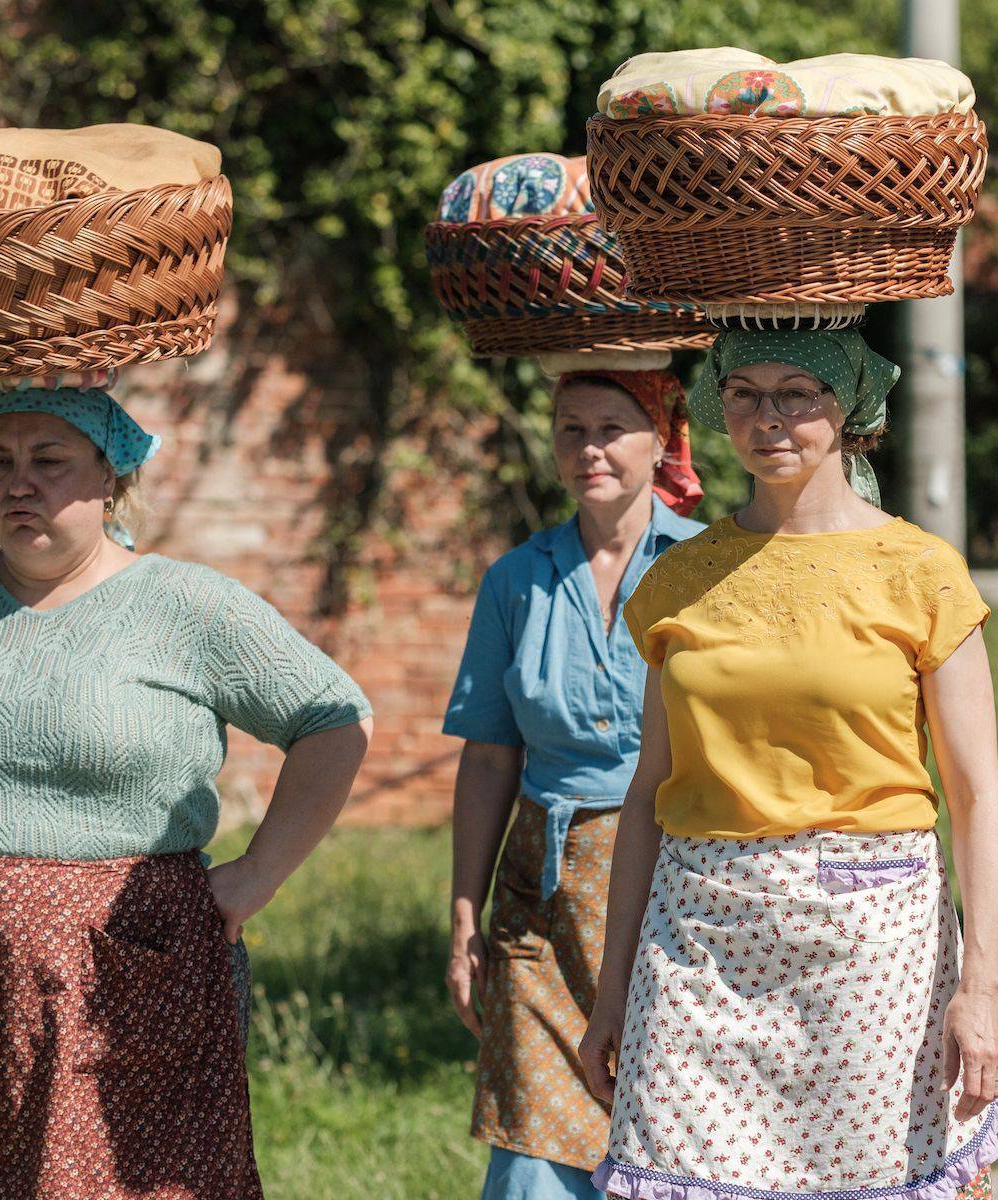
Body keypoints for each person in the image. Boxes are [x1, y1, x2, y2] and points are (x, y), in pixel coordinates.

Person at [0, 381, 372, 1199]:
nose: (19, 483)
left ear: (111, 475)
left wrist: (259, 874)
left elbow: (334, 719)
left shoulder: (182, 604)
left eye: (49, 461)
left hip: (122, 971)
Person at [577, 328, 998, 1200]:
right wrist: (612, 988)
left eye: (796, 395)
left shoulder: (920, 572)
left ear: (847, 408)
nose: (768, 418)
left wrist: (984, 990)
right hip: (698, 944)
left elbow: (977, 797)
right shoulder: (679, 579)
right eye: (744, 393)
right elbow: (647, 799)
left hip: (871, 949)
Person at [444, 369, 704, 1200]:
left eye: (612, 427)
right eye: (569, 429)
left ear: (660, 438)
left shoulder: (707, 567)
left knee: (670, 1118)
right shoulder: (516, 580)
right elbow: (489, 757)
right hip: (541, 894)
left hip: (675, 885)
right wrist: (462, 914)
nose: (589, 447)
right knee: (534, 1139)